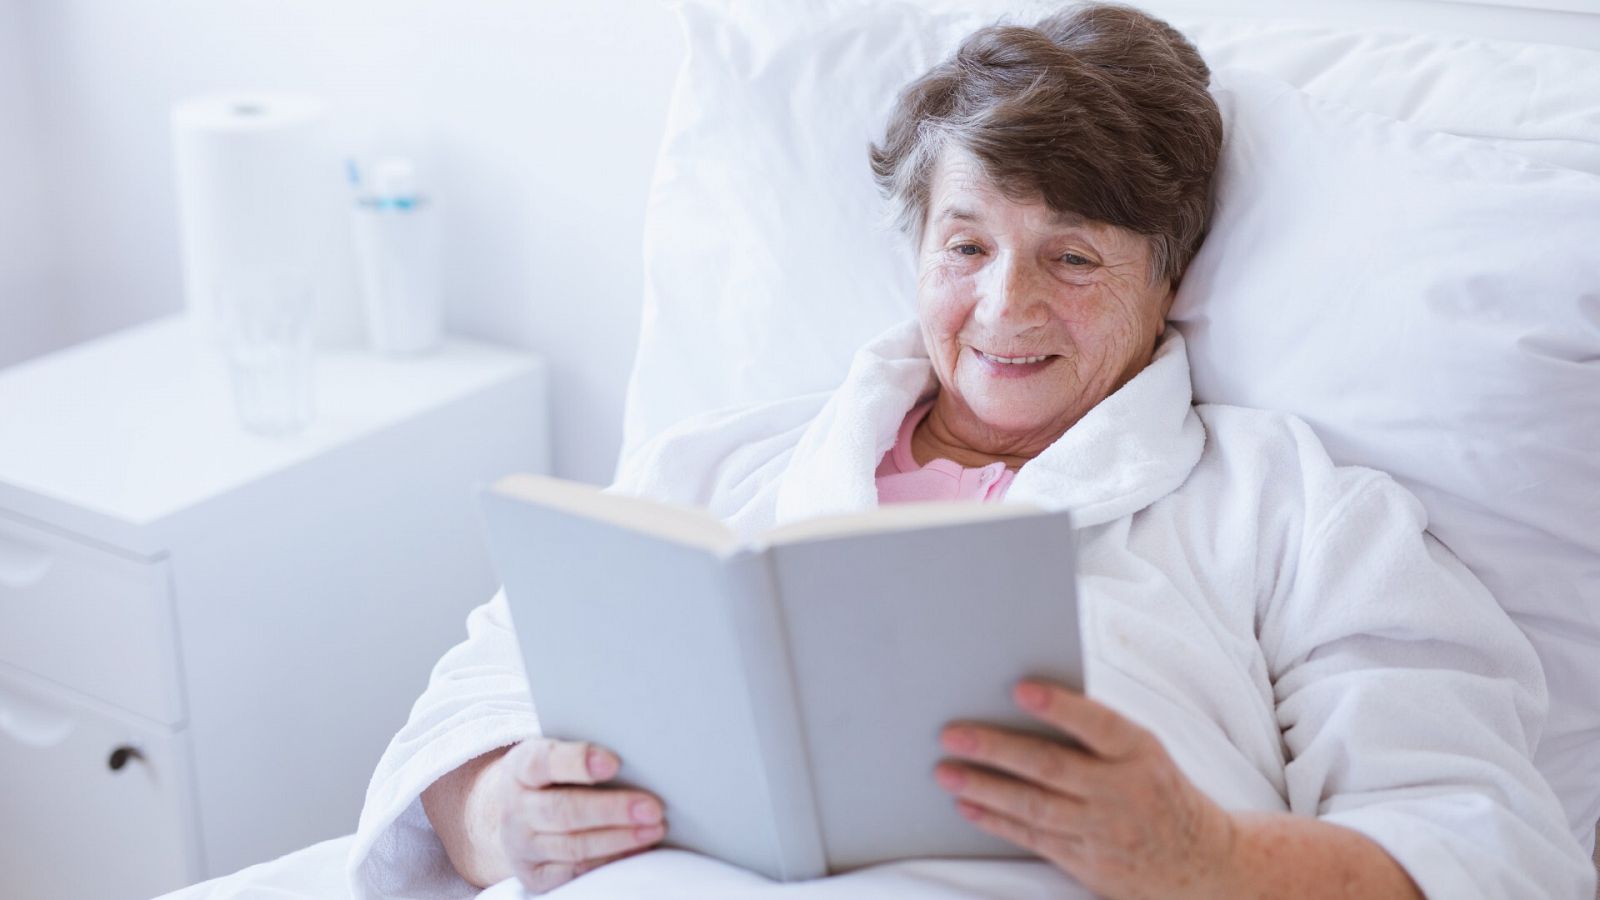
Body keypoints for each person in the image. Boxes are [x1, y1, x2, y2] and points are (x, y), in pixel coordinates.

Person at [347, 4, 1594, 898]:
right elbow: (466, 720)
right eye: (965, 247)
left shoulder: (1288, 510)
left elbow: (1487, 845)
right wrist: (503, 812)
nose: (1005, 308)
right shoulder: (712, 469)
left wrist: (1202, 864)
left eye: (1073, 257)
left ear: (1168, 281)